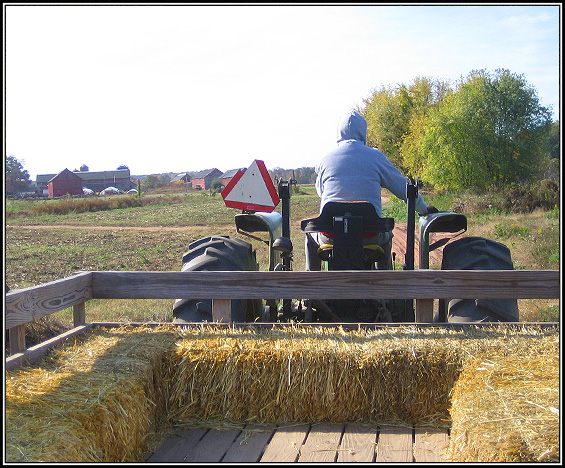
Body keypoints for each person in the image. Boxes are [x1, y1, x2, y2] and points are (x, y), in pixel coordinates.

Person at [305, 110, 437, 271]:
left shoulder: (325, 159)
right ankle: (384, 287)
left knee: (310, 235)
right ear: (363, 132)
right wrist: (423, 210)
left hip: (330, 236)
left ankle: (313, 290)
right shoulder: (375, 157)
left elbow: (321, 193)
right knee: (386, 235)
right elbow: (405, 190)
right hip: (369, 237)